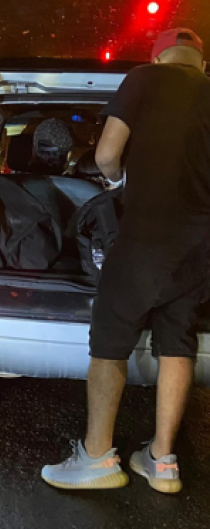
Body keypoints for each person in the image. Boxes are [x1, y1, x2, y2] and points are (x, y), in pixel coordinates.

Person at [42, 28, 210, 494]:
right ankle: (162, 460)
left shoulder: (143, 79)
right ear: (202, 62)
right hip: (200, 245)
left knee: (110, 340)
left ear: (158, 58)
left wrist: (116, 182)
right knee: (178, 338)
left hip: (145, 238)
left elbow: (107, 154)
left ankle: (97, 458)